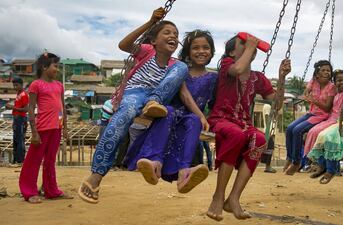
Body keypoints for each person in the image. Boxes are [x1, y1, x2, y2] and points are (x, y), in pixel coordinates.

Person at [78, 8, 207, 203]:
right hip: (134, 93)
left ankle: (153, 101)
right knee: (122, 118)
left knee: (181, 67)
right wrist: (150, 22)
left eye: (176, 34)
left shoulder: (176, 66)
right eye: (167, 32)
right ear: (153, 40)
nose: (173, 35)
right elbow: (124, 45)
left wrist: (201, 116)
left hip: (156, 100)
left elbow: (184, 94)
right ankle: (95, 177)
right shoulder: (146, 51)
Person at [206, 34, 291, 221]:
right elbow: (237, 69)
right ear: (231, 52)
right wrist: (252, 46)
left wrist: (282, 77)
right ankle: (218, 196)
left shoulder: (258, 78)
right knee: (236, 135)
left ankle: (234, 198)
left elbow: (276, 104)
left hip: (244, 122)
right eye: (243, 44)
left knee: (260, 140)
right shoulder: (227, 66)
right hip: (221, 119)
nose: (248, 47)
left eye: (250, 46)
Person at [124, 29, 217, 193]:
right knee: (168, 111)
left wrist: (207, 120)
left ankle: (184, 173)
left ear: (212, 51)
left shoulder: (214, 78)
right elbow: (183, 94)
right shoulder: (179, 69)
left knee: (194, 121)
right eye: (195, 48)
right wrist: (201, 115)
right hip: (170, 114)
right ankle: (155, 163)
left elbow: (217, 103)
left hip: (190, 119)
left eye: (205, 48)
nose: (201, 51)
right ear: (188, 51)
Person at [19, 52, 72, 203]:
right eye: (55, 66)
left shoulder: (59, 85)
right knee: (33, 161)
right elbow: (31, 109)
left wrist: (65, 128)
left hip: (56, 128)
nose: (57, 69)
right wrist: (34, 132)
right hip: (42, 129)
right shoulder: (36, 85)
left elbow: (62, 108)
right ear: (44, 67)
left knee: (50, 161)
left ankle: (52, 190)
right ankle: (29, 192)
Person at [284, 60, 336, 175]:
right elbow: (306, 91)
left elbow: (327, 108)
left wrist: (315, 101)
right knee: (289, 128)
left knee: (298, 130)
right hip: (311, 114)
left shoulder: (332, 87)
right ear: (317, 74)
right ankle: (289, 157)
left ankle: (296, 162)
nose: (327, 72)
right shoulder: (314, 82)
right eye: (323, 70)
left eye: (328, 70)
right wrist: (307, 94)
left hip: (322, 116)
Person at [303, 69, 343, 157]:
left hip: (338, 120)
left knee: (318, 133)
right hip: (330, 119)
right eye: (339, 80)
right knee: (311, 132)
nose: (342, 82)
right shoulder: (336, 93)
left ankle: (314, 158)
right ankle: (312, 157)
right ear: (334, 82)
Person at [6, 76, 29, 165]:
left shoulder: (24, 95)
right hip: (16, 119)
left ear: (21, 85)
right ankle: (16, 160)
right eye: (14, 85)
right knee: (15, 140)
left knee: (20, 140)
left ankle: (20, 161)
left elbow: (26, 109)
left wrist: (12, 107)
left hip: (20, 119)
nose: (15, 87)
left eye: (16, 85)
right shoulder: (18, 94)